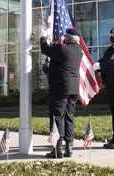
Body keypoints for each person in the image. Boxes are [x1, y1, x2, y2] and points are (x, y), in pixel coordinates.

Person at [40, 28, 83, 158]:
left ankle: (57, 149)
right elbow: (61, 65)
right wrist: (49, 70)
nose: (63, 37)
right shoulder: (79, 51)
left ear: (69, 38)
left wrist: (43, 38)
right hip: (73, 89)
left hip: (60, 89)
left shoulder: (62, 49)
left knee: (57, 117)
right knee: (69, 117)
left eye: (65, 36)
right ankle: (69, 148)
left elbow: (45, 49)